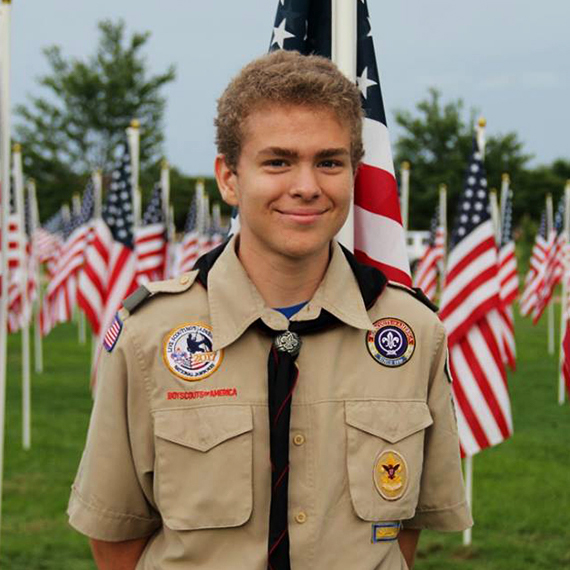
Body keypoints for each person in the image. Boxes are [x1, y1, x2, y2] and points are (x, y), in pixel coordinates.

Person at [68, 49, 472, 570]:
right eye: (278, 161)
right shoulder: (150, 334)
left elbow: (404, 530)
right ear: (229, 177)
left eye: (329, 162)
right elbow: (115, 534)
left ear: (354, 173)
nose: (306, 186)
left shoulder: (412, 332)